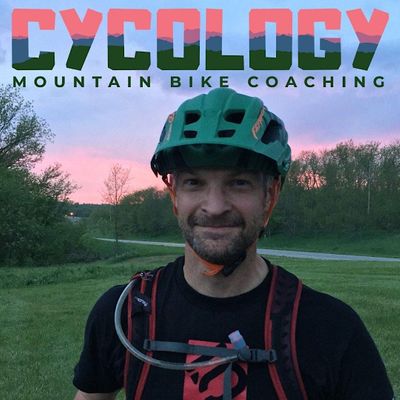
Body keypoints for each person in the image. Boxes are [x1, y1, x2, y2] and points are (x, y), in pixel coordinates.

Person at [73, 88, 394, 400]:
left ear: (270, 196)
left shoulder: (330, 328)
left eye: (239, 183)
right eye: (194, 183)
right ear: (174, 196)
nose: (215, 207)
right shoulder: (126, 313)